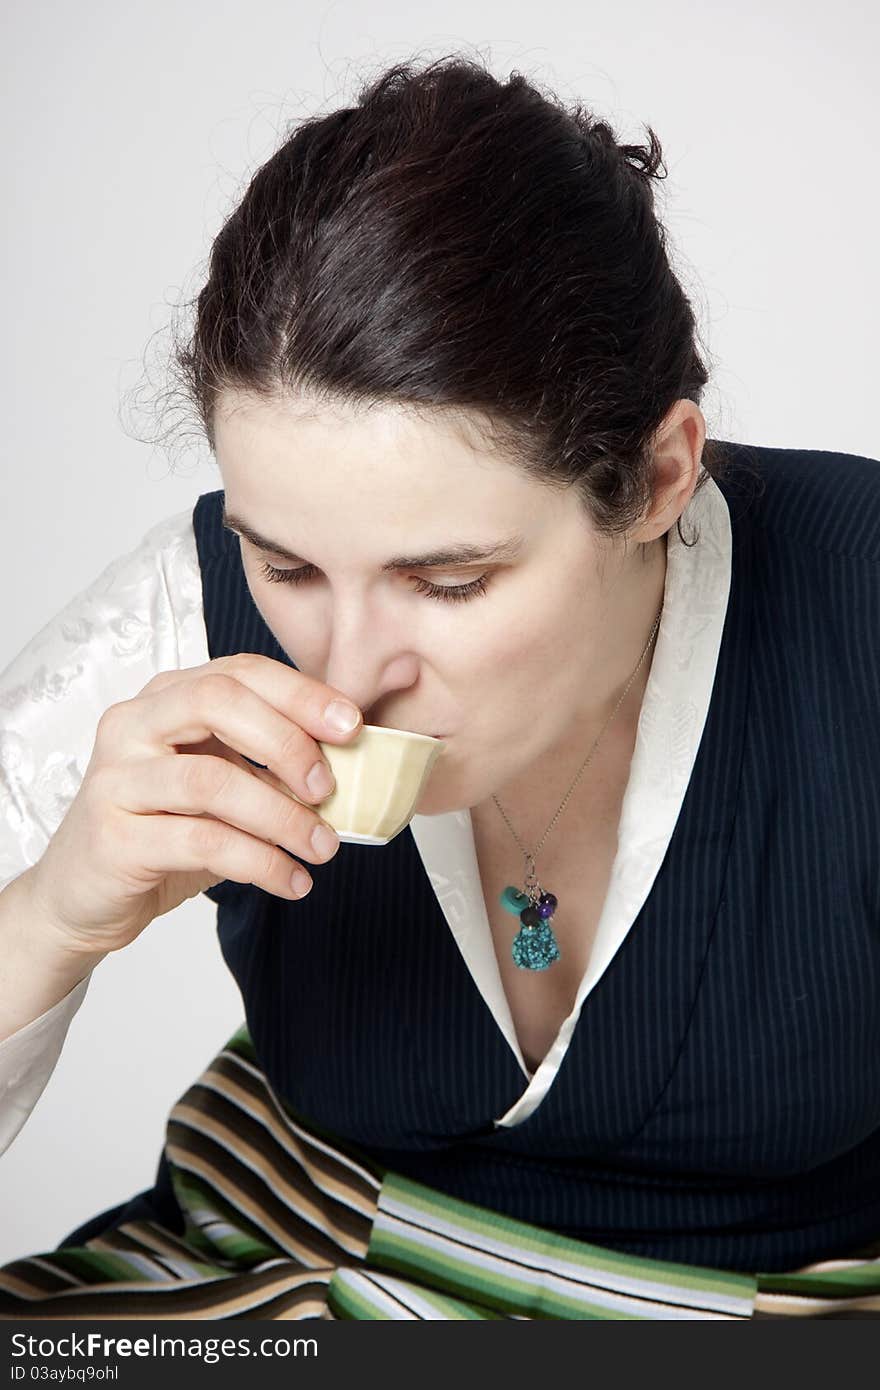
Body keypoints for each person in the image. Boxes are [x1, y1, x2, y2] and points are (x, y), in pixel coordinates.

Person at [1, 55, 878, 1321]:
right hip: (275, 1276)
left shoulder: (852, 606)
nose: (347, 672)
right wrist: (52, 919)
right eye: (286, 562)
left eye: (450, 580)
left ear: (655, 480)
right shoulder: (183, 613)